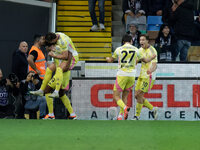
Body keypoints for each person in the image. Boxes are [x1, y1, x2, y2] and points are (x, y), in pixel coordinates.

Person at [106, 34, 156, 120]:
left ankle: (125, 108)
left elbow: (111, 60)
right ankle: (121, 116)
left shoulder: (119, 49)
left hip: (122, 74)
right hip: (132, 76)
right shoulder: (136, 50)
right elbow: (146, 60)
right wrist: (152, 57)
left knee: (116, 96)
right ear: (131, 41)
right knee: (125, 96)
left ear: (122, 41)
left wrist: (107, 58)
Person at [30, 32, 79, 98]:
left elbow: (65, 56)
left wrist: (54, 55)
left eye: (50, 42)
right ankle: (41, 90)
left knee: (59, 69)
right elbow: (52, 48)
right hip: (62, 56)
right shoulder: (54, 36)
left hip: (71, 58)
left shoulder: (63, 41)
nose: (49, 44)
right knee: (49, 69)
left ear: (53, 40)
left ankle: (56, 91)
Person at [132, 34, 158, 120]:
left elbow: (155, 65)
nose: (141, 42)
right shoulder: (139, 50)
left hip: (149, 76)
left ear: (147, 41)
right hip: (141, 75)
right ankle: (153, 109)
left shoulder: (153, 50)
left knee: (139, 94)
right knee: (136, 95)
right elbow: (136, 61)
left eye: (143, 40)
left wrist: (151, 70)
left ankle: (137, 116)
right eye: (140, 40)